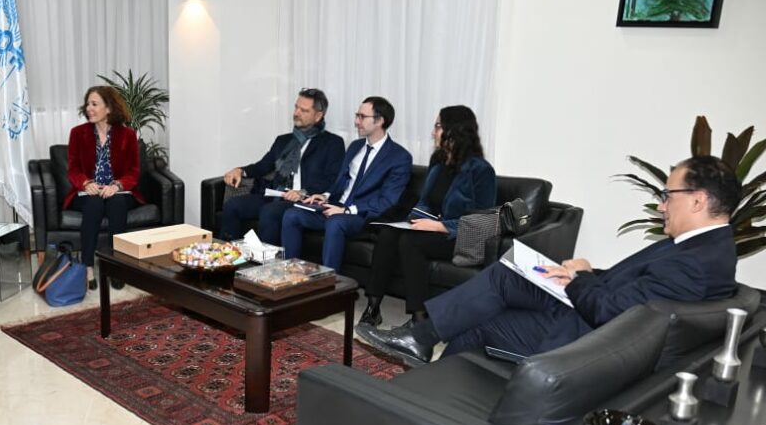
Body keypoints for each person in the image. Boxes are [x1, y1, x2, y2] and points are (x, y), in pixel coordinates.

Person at [358, 156, 740, 366]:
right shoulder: (703, 248)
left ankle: (423, 374)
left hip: (588, 337)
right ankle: (421, 345)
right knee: (506, 275)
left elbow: (611, 312)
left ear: (697, 200)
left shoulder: (693, 262)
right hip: (590, 312)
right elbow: (636, 292)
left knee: (484, 316)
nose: (660, 205)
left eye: (667, 195)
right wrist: (586, 272)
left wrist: (580, 279)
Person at [358, 105, 496, 329]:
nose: (433, 132)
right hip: (431, 228)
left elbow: (483, 220)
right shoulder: (438, 162)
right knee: (388, 234)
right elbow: (425, 201)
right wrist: (413, 219)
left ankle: (419, 319)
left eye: (438, 126)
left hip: (458, 236)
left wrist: (440, 226)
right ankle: (373, 307)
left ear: (456, 130)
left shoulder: (481, 170)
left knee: (410, 242)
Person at [280, 96, 412, 270]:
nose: (356, 122)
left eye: (362, 117)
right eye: (357, 116)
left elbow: (387, 201)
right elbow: (341, 182)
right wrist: (325, 196)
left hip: (363, 216)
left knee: (336, 222)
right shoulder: (355, 146)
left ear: (380, 121)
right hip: (338, 207)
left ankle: (329, 281)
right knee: (292, 214)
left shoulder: (399, 157)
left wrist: (348, 210)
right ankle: (290, 272)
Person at [220, 88, 345, 245]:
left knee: (270, 211)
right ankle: (227, 253)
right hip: (277, 195)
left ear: (318, 116)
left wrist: (302, 192)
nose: (297, 113)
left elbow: (332, 179)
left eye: (304, 110)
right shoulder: (283, 141)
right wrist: (240, 170)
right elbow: (263, 166)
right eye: (296, 107)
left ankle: (266, 259)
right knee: (233, 205)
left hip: (304, 201)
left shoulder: (332, 143)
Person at [64, 85, 144, 290]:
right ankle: (88, 266)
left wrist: (117, 185)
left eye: (94, 104)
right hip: (88, 191)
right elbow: (73, 169)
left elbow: (133, 171)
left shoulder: (127, 135)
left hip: (119, 190)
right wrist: (86, 183)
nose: (89, 108)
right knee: (94, 204)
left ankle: (116, 266)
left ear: (108, 108)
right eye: (87, 104)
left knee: (117, 203)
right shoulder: (77, 133)